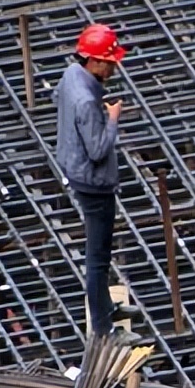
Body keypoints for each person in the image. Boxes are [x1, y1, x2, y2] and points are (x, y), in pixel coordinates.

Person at [55, 24, 139, 339]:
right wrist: (113, 119)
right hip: (93, 185)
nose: (114, 66)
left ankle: (106, 307)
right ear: (96, 62)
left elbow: (57, 99)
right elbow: (99, 149)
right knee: (98, 258)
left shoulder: (70, 75)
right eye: (111, 62)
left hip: (74, 169)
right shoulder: (87, 102)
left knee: (99, 257)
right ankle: (105, 330)